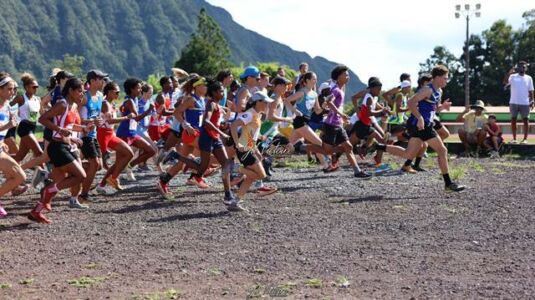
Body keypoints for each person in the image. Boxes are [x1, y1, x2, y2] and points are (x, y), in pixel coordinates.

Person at [374, 65, 465, 192]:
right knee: (442, 151)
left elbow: (433, 109)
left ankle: (379, 147)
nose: (446, 80)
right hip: (420, 124)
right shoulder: (427, 89)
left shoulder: (439, 91)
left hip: (421, 124)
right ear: (437, 77)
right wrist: (420, 118)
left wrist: (442, 107)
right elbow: (411, 102)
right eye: (445, 78)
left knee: (408, 154)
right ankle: (448, 183)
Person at [29, 78, 90, 224]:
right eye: (80, 90)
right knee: (80, 175)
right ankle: (48, 190)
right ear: (71, 90)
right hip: (57, 147)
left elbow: (69, 126)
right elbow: (43, 119)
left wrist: (84, 129)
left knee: (58, 179)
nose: (82, 94)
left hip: (65, 145)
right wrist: (58, 129)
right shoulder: (62, 104)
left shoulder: (72, 105)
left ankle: (36, 211)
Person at [229, 91, 275, 211]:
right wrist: (237, 143)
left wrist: (256, 150)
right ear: (258, 102)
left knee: (251, 177)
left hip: (249, 148)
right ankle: (236, 169)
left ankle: (236, 201)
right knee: (261, 175)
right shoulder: (250, 114)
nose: (267, 105)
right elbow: (233, 125)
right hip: (244, 150)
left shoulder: (256, 115)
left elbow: (251, 135)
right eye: (265, 103)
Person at [322, 65, 370, 178]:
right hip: (331, 125)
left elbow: (331, 104)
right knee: (327, 150)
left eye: (348, 75)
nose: (348, 77)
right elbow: (329, 102)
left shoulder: (341, 89)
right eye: (345, 75)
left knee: (348, 147)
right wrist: (341, 115)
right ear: (338, 77)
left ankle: (357, 171)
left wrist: (342, 118)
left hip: (338, 125)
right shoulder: (336, 90)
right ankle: (303, 147)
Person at [96, 81, 136, 193]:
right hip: (103, 134)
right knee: (100, 165)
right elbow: (110, 120)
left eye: (119, 92)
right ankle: (86, 184)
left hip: (110, 134)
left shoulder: (112, 104)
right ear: (109, 92)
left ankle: (111, 179)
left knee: (129, 153)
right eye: (116, 92)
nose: (118, 94)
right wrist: (127, 117)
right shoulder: (105, 103)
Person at [115, 77, 156, 180]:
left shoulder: (136, 99)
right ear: (132, 89)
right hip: (124, 133)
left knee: (151, 151)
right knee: (118, 162)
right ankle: (104, 183)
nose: (140, 90)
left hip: (133, 133)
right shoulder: (129, 101)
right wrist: (149, 110)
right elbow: (137, 118)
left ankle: (129, 166)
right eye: (138, 88)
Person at [0, 72, 27, 218]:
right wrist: (8, 125)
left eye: (13, 89)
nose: (12, 92)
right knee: (19, 176)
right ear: (0, 89)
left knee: (19, 176)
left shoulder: (7, 107)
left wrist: (2, 142)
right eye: (9, 89)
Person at [78, 70, 107, 202]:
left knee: (98, 166)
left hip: (93, 133)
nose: (103, 82)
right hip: (83, 134)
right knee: (94, 164)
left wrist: (99, 120)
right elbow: (74, 117)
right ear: (93, 81)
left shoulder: (100, 96)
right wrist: (89, 122)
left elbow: (96, 115)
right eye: (101, 79)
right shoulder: (84, 97)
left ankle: (73, 171)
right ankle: (83, 194)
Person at [10, 73, 44, 165]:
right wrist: (10, 116)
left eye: (36, 87)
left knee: (19, 157)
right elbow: (6, 106)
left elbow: (43, 114)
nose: (36, 88)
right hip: (24, 127)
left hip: (33, 127)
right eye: (33, 87)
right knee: (39, 153)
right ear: (26, 87)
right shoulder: (21, 98)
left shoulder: (38, 99)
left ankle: (3, 159)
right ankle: (45, 175)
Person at [504, 61, 534, 144]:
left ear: (526, 68)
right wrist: (509, 73)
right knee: (513, 120)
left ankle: (525, 139)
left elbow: (531, 90)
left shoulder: (529, 78)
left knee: (526, 120)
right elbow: (505, 82)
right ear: (517, 68)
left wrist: (532, 101)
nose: (522, 68)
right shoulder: (513, 76)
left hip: (525, 103)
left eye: (524, 67)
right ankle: (514, 139)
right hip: (513, 102)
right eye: (520, 66)